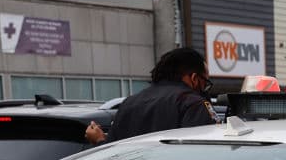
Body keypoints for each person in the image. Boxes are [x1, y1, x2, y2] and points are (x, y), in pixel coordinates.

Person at [84, 47, 218, 144]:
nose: (205, 89)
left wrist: (101, 141)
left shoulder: (128, 104)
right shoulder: (193, 104)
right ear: (194, 78)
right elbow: (203, 153)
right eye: (205, 82)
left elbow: (113, 157)